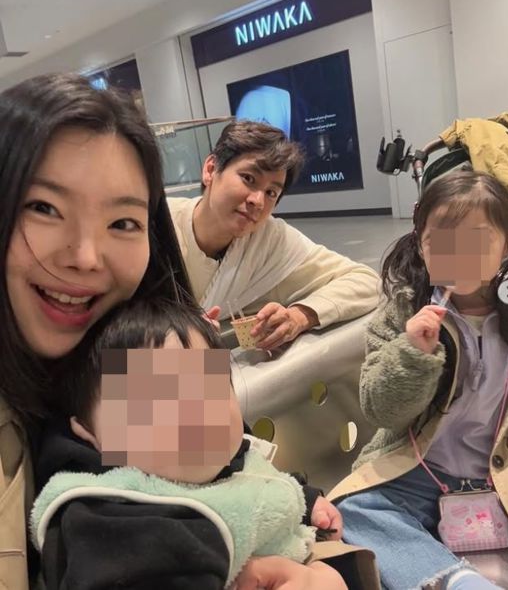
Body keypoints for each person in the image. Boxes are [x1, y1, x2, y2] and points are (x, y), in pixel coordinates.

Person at [0, 73, 362, 590]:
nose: (86, 257)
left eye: (123, 222)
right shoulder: (107, 513)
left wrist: (304, 313)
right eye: (44, 208)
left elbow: (226, 459)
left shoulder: (264, 245)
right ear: (210, 170)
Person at [30, 297, 347, 590]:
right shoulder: (118, 527)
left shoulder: (209, 458)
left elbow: (248, 476)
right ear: (89, 434)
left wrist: (305, 502)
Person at [326, 169, 508, 589]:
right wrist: (412, 354)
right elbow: (380, 411)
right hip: (420, 471)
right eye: (441, 242)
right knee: (356, 509)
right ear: (420, 243)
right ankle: (455, 581)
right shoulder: (405, 309)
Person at [167, 120, 380, 350]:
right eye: (248, 178)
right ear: (210, 170)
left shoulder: (271, 241)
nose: (257, 201)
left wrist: (299, 316)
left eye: (271, 192)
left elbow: (366, 281)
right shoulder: (156, 225)